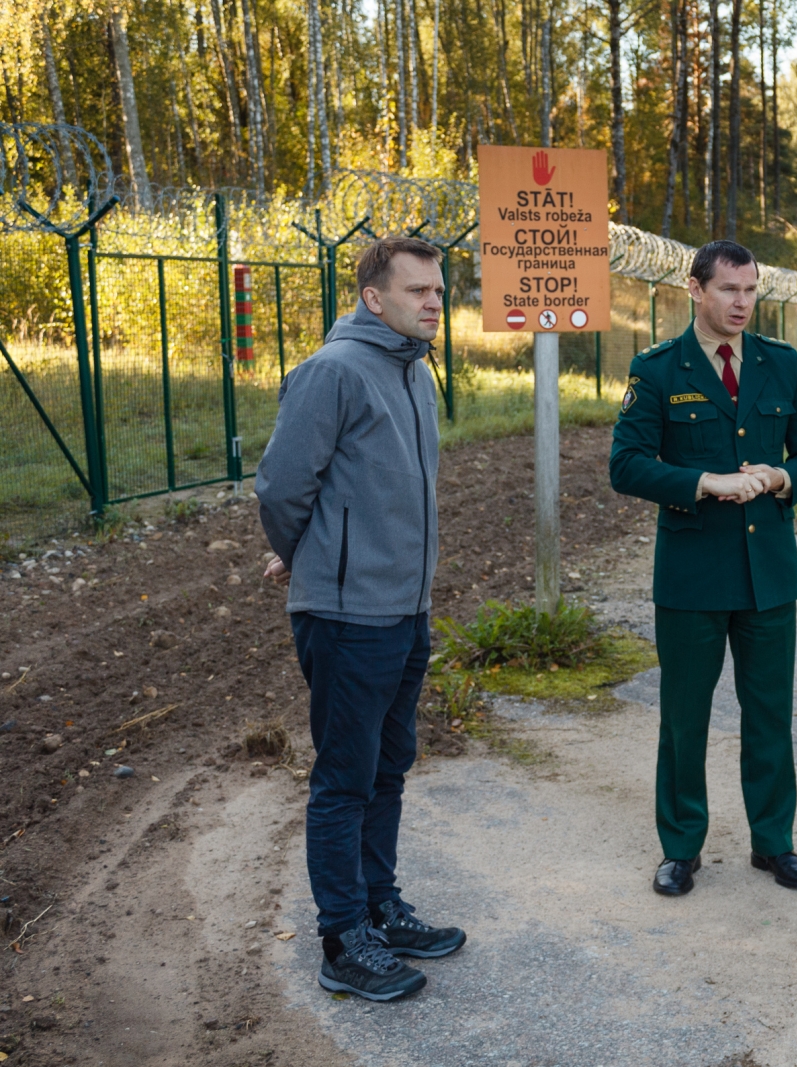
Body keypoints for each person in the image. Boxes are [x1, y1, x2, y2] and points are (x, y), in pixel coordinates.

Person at [257, 236, 466, 1002]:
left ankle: (380, 906)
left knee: (389, 767)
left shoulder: (413, 373)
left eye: (438, 290)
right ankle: (343, 939)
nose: (434, 302)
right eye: (418, 291)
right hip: (348, 616)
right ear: (374, 298)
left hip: (405, 610)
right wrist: (305, 555)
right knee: (345, 779)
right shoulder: (333, 371)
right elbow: (282, 485)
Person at [610, 240, 797, 897]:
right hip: (692, 574)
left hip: (768, 573)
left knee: (769, 714)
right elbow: (626, 464)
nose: (742, 302)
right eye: (729, 289)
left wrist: (781, 475)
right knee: (685, 718)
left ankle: (775, 842)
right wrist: (703, 481)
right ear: (695, 290)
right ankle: (681, 847)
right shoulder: (657, 370)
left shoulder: (780, 364)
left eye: (750, 289)